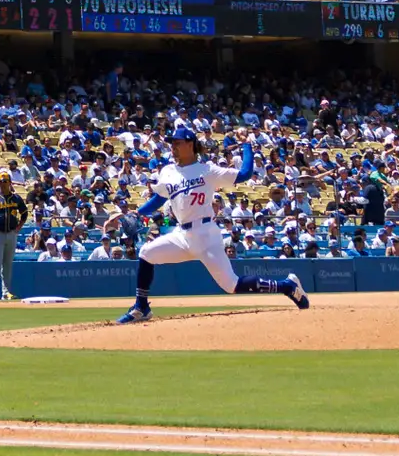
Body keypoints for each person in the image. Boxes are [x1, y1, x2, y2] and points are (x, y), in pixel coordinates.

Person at [113, 127, 311, 325]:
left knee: (231, 285)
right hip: (181, 235)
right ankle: (141, 307)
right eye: (172, 143)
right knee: (146, 253)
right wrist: (137, 213)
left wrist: (246, 145)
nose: (173, 147)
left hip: (205, 235)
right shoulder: (168, 171)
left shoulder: (207, 170)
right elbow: (159, 198)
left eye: (177, 143)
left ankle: (287, 286)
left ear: (190, 144)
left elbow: (245, 174)